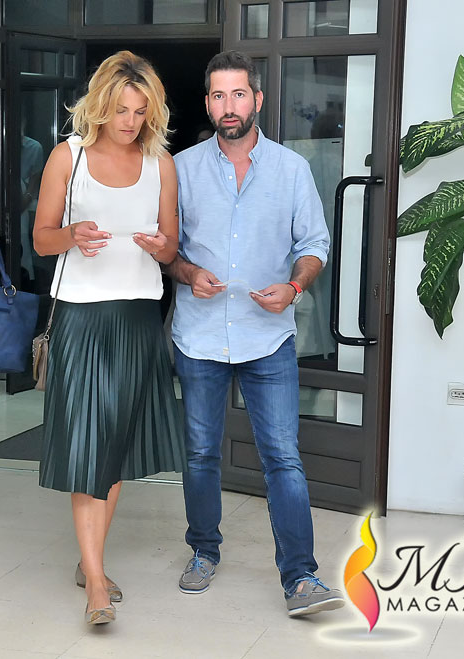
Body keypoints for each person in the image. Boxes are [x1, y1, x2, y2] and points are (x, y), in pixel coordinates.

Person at [166, 51, 346, 617]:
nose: (229, 106)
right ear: (207, 103)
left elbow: (314, 244)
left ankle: (301, 577)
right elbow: (166, 250)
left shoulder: (291, 169)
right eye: (218, 96)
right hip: (199, 335)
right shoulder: (181, 169)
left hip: (268, 337)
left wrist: (294, 288)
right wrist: (189, 273)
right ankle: (203, 551)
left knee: (283, 458)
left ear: (258, 100)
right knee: (200, 455)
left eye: (238, 94)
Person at [33, 51, 186, 626]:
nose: (130, 121)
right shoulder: (66, 157)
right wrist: (71, 234)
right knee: (87, 445)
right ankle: (96, 580)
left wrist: (161, 247)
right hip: (81, 317)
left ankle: (89, 560)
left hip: (139, 317)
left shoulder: (160, 163)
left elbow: (171, 247)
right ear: (100, 105)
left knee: (115, 446)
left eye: (140, 111)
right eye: (122, 109)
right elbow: (40, 239)